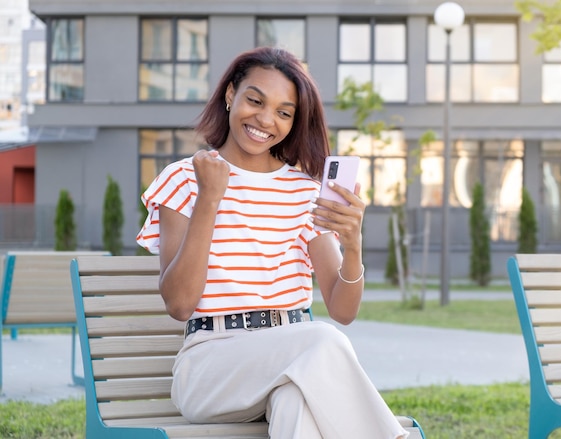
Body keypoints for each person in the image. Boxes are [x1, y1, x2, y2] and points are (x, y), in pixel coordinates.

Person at [136, 46, 409, 439]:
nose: (265, 119)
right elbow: (179, 304)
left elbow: (343, 310)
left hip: (297, 360)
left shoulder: (305, 192)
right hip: (211, 367)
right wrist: (210, 198)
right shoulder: (185, 178)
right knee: (322, 339)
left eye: (284, 112)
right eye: (255, 100)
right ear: (231, 95)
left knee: (296, 405)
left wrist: (353, 245)